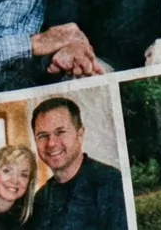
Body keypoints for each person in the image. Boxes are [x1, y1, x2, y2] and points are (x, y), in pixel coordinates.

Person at [29, 97, 126, 230]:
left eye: (60, 132)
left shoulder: (111, 182)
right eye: (43, 136)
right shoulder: (41, 198)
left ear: (80, 134)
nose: (51, 143)